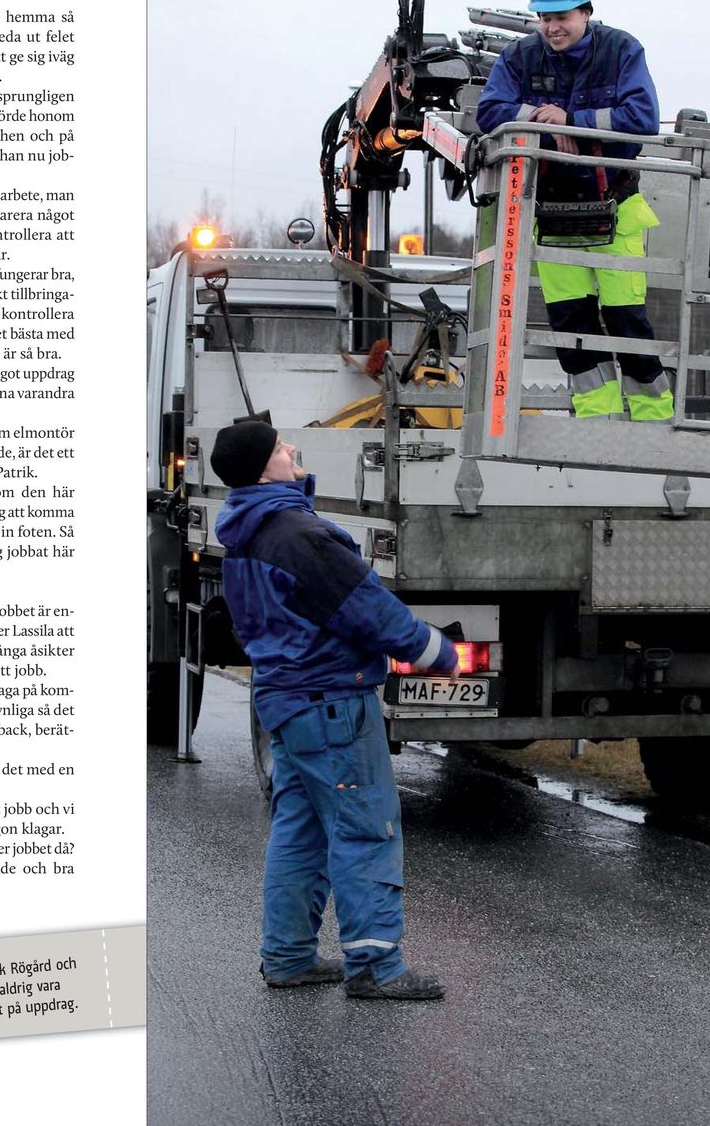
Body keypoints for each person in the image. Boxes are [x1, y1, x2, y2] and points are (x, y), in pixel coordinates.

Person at [211, 419, 459, 1001]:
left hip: (287, 703)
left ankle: (289, 956)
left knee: (297, 832)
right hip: (332, 701)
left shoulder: (244, 534)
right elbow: (369, 610)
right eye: (279, 448)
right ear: (263, 468)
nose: (291, 449)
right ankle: (374, 965)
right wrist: (437, 651)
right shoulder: (299, 535)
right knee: (365, 829)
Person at [476, 0, 674, 422]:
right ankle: (596, 418)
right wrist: (542, 122)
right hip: (552, 213)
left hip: (615, 210)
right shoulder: (520, 57)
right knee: (570, 323)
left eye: (561, 17)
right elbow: (490, 111)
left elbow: (641, 118)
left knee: (626, 319)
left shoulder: (622, 51)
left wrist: (575, 122)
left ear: (586, 10)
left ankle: (652, 418)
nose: (552, 28)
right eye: (544, 18)